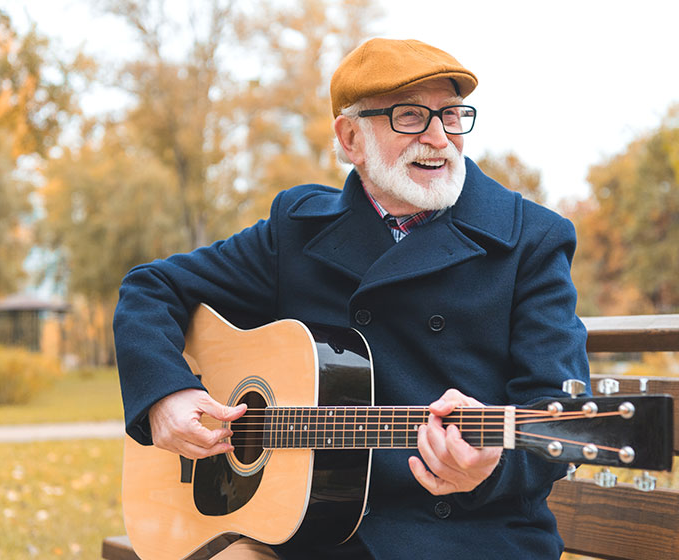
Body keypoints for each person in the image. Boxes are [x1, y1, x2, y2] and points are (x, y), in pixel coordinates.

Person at [113, 38, 590, 560]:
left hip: (466, 537)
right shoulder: (296, 229)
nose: (439, 138)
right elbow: (152, 288)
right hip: (302, 531)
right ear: (350, 137)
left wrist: (492, 464)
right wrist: (166, 393)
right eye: (411, 117)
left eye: (452, 116)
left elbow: (561, 413)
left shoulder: (529, 240)